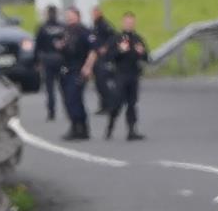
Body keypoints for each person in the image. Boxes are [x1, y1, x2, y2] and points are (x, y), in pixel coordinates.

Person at [87, 11, 149, 141]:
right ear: (122, 23)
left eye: (131, 22)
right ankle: (110, 127)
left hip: (133, 75)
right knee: (117, 103)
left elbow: (147, 57)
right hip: (120, 75)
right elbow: (108, 56)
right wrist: (120, 50)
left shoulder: (138, 39)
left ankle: (132, 130)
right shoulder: (116, 39)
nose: (129, 24)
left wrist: (142, 52)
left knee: (132, 103)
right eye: (127, 22)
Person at [56, 7, 93, 140]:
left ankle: (79, 128)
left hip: (78, 70)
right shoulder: (66, 31)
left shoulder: (84, 31)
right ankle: (78, 126)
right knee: (68, 100)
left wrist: (88, 67)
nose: (69, 18)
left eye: (71, 15)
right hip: (66, 70)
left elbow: (93, 50)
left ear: (78, 16)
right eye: (67, 16)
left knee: (74, 99)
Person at [33, 5, 65, 122]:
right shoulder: (62, 27)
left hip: (47, 59)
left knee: (50, 88)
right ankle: (67, 109)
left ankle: (51, 112)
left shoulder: (42, 28)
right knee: (64, 86)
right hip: (61, 59)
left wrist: (36, 62)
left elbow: (37, 47)